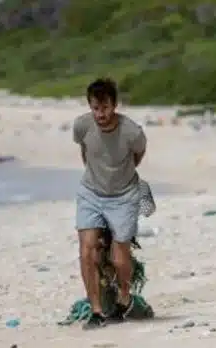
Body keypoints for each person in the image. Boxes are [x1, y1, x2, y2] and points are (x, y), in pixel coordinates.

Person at [73, 78, 147, 329]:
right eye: (95, 108)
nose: (100, 114)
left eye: (105, 108)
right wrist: (98, 175)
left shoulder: (132, 132)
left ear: (114, 105)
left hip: (124, 195)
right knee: (87, 250)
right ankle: (96, 311)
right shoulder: (82, 126)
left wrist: (119, 176)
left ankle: (124, 298)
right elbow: (85, 151)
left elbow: (138, 154)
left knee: (118, 257)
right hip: (91, 192)